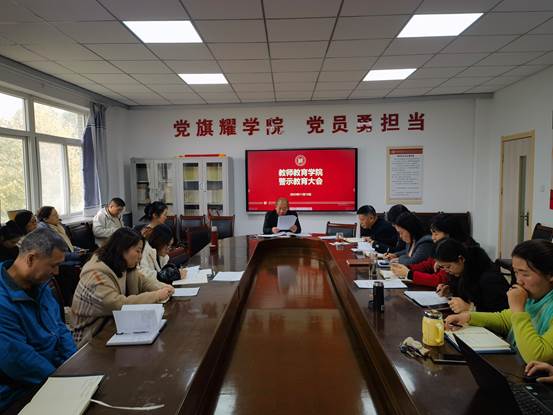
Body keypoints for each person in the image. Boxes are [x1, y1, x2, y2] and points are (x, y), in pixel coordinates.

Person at [0, 229, 77, 411]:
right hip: (16, 392)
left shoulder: (39, 286)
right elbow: (18, 359)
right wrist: (60, 381)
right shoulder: (3, 300)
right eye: (53, 265)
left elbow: (59, 328)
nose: (57, 272)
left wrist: (74, 366)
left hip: (49, 375)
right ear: (31, 258)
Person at [446, 239, 553, 363]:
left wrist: (518, 310)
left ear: (550, 275)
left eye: (525, 274)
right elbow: (505, 320)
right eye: (516, 272)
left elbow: (537, 356)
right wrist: (468, 317)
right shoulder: (533, 297)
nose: (519, 281)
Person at [71, 228, 174, 347]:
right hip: (90, 339)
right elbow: (119, 304)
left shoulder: (124, 266)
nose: (140, 256)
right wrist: (157, 295)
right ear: (122, 250)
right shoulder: (95, 276)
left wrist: (165, 288)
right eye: (138, 251)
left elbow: (143, 282)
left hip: (114, 329)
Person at [390, 213, 476, 287]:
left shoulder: (456, 250)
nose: (433, 238)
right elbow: (428, 264)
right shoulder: (441, 247)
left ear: (448, 234)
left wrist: (409, 274)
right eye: (432, 233)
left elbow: (441, 279)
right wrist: (407, 268)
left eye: (436, 234)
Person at [435, 238, 509, 313]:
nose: (447, 271)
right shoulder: (464, 269)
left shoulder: (489, 278)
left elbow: (501, 313)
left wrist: (470, 308)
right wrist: (450, 291)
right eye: (442, 267)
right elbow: (464, 291)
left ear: (461, 259)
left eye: (448, 267)